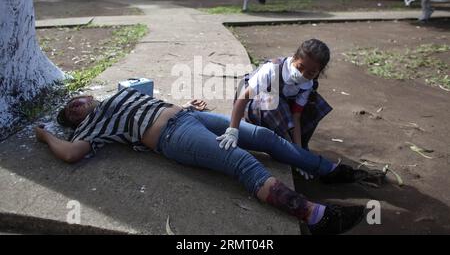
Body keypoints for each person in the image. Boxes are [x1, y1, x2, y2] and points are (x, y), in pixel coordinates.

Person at [35, 88, 369, 235]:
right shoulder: (93, 125)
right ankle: (315, 217)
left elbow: (153, 106)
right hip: (172, 138)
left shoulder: (119, 94)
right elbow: (69, 154)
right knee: (243, 163)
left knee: (264, 138)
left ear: (87, 95)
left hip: (190, 117)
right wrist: (46, 135)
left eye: (74, 101)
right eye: (70, 112)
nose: (74, 106)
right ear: (76, 121)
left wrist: (186, 104)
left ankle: (330, 171)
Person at [218, 39, 333, 179]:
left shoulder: (307, 84)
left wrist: (300, 154)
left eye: (310, 73)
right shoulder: (273, 70)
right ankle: (284, 147)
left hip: (282, 115)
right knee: (275, 101)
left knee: (315, 105)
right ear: (295, 58)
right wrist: (233, 130)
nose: (303, 74)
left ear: (319, 72)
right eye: (300, 67)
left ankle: (294, 149)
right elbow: (242, 99)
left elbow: (296, 116)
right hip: (253, 106)